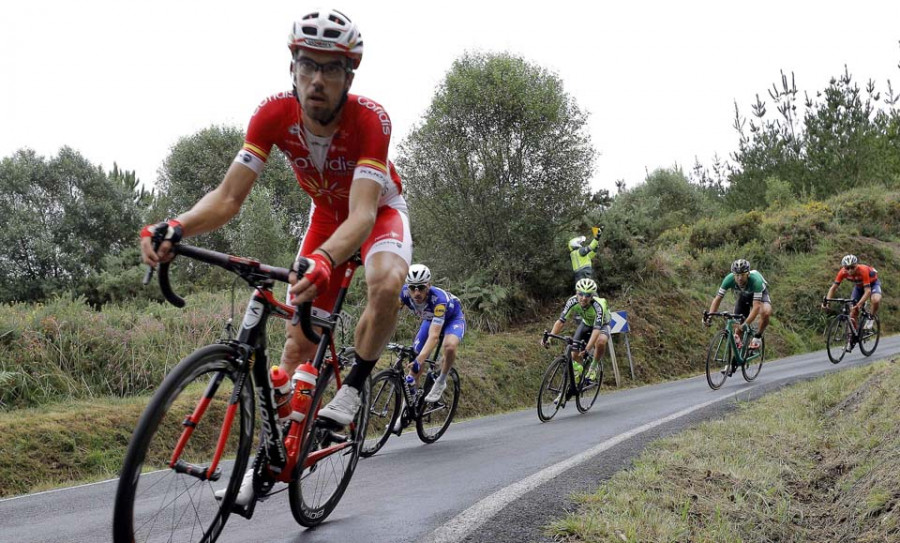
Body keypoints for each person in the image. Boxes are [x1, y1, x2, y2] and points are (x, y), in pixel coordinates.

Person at [140, 8, 411, 506]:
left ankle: (352, 386)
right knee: (292, 352)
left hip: (374, 212)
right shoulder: (272, 115)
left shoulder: (372, 120)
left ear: (350, 75)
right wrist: (176, 225)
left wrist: (328, 258)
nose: (317, 79)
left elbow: (363, 215)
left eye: (331, 68)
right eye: (308, 65)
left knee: (387, 281)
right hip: (328, 219)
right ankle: (272, 458)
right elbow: (227, 198)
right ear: (292, 67)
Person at [398, 264, 466, 405]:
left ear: (429, 285)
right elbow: (388, 315)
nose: (416, 293)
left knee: (450, 346)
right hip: (431, 319)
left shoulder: (439, 300)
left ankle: (441, 380)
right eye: (412, 288)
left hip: (452, 319)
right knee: (416, 356)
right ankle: (407, 409)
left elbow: (434, 336)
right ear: (407, 287)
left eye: (421, 288)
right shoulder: (404, 294)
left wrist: (420, 360)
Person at [541, 278, 610, 383]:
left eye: (587, 295)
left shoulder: (599, 306)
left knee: (600, 341)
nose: (583, 298)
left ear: (592, 296)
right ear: (576, 293)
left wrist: (587, 349)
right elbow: (561, 321)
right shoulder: (572, 301)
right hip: (586, 323)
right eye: (580, 294)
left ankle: (593, 367)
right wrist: (549, 338)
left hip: (602, 325)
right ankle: (578, 375)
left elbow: (596, 330)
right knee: (574, 354)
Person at [703, 259, 772, 351]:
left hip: (760, 295)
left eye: (742, 275)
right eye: (737, 275)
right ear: (733, 274)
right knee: (737, 330)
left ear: (748, 274)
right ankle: (735, 359)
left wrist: (746, 324)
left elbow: (756, 307)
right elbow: (718, 298)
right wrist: (710, 316)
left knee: (766, 312)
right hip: (744, 296)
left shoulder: (756, 280)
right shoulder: (729, 279)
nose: (739, 278)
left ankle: (758, 336)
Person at [821, 254, 882, 328]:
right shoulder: (842, 272)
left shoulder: (863, 270)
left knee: (875, 300)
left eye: (853, 267)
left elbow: (868, 291)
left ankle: (870, 318)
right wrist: (827, 303)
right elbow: (833, 288)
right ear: (844, 267)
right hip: (859, 287)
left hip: (873, 284)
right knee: (853, 312)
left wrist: (858, 305)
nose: (850, 270)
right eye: (847, 268)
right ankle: (853, 336)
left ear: (857, 265)